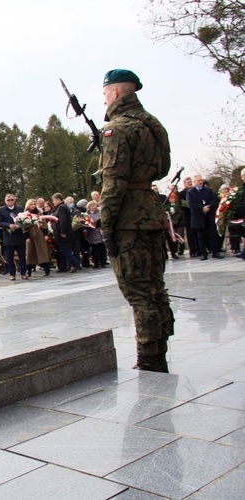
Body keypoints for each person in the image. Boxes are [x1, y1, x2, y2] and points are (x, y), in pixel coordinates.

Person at [98, 68, 174, 373]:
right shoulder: (152, 125)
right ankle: (159, 352)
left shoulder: (117, 130)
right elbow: (162, 169)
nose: (104, 98)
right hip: (152, 215)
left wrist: (106, 225)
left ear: (115, 92)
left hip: (128, 221)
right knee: (156, 290)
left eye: (105, 93)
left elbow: (113, 182)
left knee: (139, 294)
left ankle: (148, 361)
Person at [187, 174, 222, 260]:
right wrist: (202, 208)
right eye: (198, 181)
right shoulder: (190, 192)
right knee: (201, 236)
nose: (200, 182)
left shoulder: (208, 190)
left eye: (201, 180)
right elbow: (191, 204)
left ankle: (215, 252)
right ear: (194, 182)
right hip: (198, 217)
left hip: (209, 216)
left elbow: (214, 199)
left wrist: (209, 206)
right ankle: (204, 254)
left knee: (213, 234)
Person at [0, 194, 28, 280]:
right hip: (8, 236)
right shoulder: (1, 210)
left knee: (22, 255)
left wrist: (21, 224)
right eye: (8, 200)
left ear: (14, 200)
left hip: (19, 235)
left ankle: (23, 273)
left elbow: (25, 219)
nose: (10, 201)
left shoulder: (19, 209)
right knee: (9, 257)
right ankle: (12, 274)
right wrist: (8, 225)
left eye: (12, 200)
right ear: (5, 201)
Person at [52, 193, 81, 273]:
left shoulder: (61, 207)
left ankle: (75, 263)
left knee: (65, 250)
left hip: (63, 233)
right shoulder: (60, 207)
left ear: (58, 199)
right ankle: (63, 266)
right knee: (61, 250)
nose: (53, 202)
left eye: (54, 200)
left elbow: (63, 220)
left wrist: (63, 231)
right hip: (61, 233)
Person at [23, 199, 51, 276]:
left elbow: (44, 224)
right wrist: (27, 237)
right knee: (30, 253)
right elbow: (24, 227)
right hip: (30, 233)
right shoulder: (25, 214)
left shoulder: (39, 213)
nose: (33, 206)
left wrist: (45, 234)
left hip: (39, 232)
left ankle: (46, 269)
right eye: (31, 204)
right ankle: (29, 270)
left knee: (42, 251)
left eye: (34, 204)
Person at [84, 201, 106, 268]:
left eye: (95, 205)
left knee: (101, 248)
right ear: (89, 207)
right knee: (94, 249)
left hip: (99, 232)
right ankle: (96, 263)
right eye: (92, 206)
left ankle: (103, 262)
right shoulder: (86, 214)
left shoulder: (99, 212)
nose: (94, 207)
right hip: (91, 233)